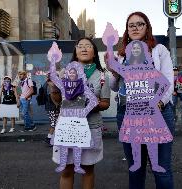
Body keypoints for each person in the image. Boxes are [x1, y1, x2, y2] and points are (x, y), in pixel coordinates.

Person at [107, 12, 174, 189]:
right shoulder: (122, 56)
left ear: (147, 27)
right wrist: (113, 72)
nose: (135, 28)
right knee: (135, 169)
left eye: (140, 24)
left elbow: (167, 82)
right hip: (128, 113)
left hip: (157, 112)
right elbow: (115, 86)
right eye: (131, 25)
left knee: (161, 169)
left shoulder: (159, 51)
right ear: (127, 30)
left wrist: (158, 103)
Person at [52, 38, 111, 189]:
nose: (84, 49)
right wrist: (54, 88)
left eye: (88, 46)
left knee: (88, 170)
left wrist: (86, 105)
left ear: (94, 52)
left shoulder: (102, 75)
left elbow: (105, 103)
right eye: (80, 46)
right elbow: (57, 100)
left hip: (91, 127)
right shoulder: (64, 72)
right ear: (76, 52)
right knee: (66, 170)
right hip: (67, 127)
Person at [43, 73, 61, 146]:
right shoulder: (51, 84)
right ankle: (49, 139)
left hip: (50, 106)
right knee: (54, 123)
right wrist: (57, 104)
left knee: (55, 123)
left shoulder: (47, 83)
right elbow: (51, 95)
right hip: (52, 107)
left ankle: (52, 139)